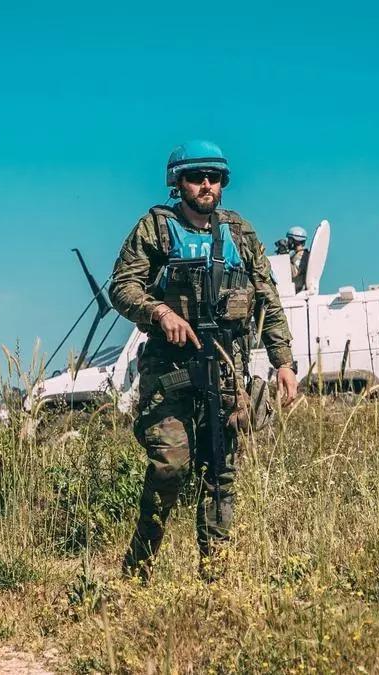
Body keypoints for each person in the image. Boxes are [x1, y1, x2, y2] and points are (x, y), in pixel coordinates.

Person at [108, 140, 299, 579]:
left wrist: (283, 361)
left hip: (226, 371)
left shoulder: (240, 233)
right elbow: (122, 286)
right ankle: (138, 571)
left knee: (220, 473)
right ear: (179, 183)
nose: (206, 185)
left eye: (213, 178)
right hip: (170, 371)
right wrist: (159, 311)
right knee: (170, 466)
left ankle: (216, 579)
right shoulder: (154, 228)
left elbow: (268, 298)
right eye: (196, 177)